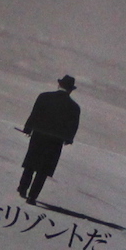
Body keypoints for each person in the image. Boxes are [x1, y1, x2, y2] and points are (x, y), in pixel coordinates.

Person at [17, 75, 80, 205]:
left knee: (31, 163)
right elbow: (73, 126)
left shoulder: (44, 97)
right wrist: (68, 139)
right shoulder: (74, 107)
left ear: (59, 85)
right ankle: (32, 196)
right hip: (55, 142)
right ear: (70, 90)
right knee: (43, 170)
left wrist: (28, 128)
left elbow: (35, 114)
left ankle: (22, 188)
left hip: (39, 136)